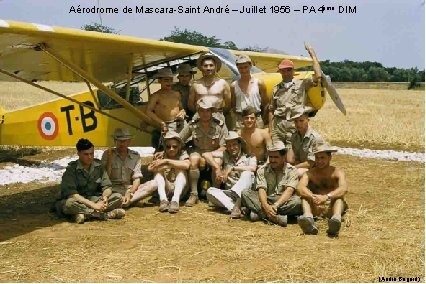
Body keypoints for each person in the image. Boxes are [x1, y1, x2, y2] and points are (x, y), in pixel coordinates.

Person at [55, 138, 125, 224]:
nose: (90, 157)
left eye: (92, 153)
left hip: (93, 199)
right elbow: (73, 195)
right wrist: (94, 205)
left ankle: (83, 215)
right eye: (86, 154)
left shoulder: (98, 166)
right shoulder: (71, 170)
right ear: (79, 154)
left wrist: (104, 199)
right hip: (78, 201)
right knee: (68, 204)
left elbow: (107, 187)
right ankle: (103, 215)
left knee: (118, 197)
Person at [268, 56, 321, 162]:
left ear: (293, 71)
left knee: (291, 159)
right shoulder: (276, 88)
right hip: (278, 125)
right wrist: (270, 128)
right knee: (276, 156)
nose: (286, 72)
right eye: (283, 70)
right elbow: (271, 109)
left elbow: (318, 75)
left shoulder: (302, 84)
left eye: (289, 70)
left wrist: (313, 55)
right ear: (280, 72)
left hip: (294, 125)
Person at [179, 97, 228, 206]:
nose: (204, 113)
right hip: (198, 151)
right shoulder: (193, 124)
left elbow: (224, 146)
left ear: (212, 111)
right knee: (193, 159)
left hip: (214, 152)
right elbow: (179, 139)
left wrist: (210, 156)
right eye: (201, 110)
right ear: (198, 111)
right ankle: (194, 194)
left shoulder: (219, 125)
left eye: (207, 110)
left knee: (217, 162)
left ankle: (215, 194)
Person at [241, 141, 302, 227]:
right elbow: (262, 189)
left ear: (284, 156)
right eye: (271, 157)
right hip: (266, 199)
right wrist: (266, 206)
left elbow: (289, 191)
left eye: (276, 157)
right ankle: (278, 218)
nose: (273, 160)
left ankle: (261, 215)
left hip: (283, 201)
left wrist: (275, 205)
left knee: (298, 202)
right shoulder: (262, 170)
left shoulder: (292, 170)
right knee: (245, 193)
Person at [296, 144, 348, 237]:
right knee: (304, 197)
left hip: (331, 206)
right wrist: (312, 196)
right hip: (315, 206)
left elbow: (343, 189)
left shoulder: (338, 172)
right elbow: (300, 187)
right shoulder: (309, 173)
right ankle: (308, 219)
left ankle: (335, 220)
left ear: (329, 157)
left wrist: (327, 197)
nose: (319, 161)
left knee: (339, 199)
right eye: (317, 158)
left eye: (322, 158)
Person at [206, 131, 256, 218]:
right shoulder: (225, 155)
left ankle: (237, 205)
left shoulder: (249, 156)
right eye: (229, 145)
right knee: (210, 191)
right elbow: (206, 154)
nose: (232, 148)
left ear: (240, 145)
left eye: (234, 144)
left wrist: (232, 168)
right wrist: (217, 168)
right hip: (230, 194)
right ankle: (236, 207)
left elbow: (253, 168)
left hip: (246, 194)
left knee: (247, 173)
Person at [101, 128, 142, 208]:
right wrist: (109, 160)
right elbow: (105, 178)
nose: (122, 144)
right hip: (113, 189)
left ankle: (126, 200)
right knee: (109, 194)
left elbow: (136, 179)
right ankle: (126, 201)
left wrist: (130, 193)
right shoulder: (107, 154)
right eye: (119, 141)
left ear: (129, 141)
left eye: (125, 141)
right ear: (114, 141)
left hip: (128, 188)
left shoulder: (135, 156)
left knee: (152, 185)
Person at [146, 67, 186, 148]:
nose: (169, 82)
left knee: (182, 147)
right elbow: (149, 111)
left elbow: (181, 108)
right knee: (166, 149)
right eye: (166, 80)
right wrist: (162, 123)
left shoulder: (176, 94)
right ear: (159, 81)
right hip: (166, 126)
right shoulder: (156, 96)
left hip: (180, 125)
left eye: (171, 80)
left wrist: (182, 113)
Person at [188, 54, 231, 126]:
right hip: (199, 118)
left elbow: (228, 104)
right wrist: (202, 113)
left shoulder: (223, 83)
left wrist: (218, 113)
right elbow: (190, 105)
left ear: (215, 67)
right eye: (205, 66)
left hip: (218, 117)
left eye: (211, 65)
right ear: (201, 68)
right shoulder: (195, 84)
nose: (208, 68)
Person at [231, 54, 268, 130]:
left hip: (256, 119)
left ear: (250, 66)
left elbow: (266, 104)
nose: (243, 70)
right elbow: (233, 105)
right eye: (240, 68)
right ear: (237, 68)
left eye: (246, 67)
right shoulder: (233, 85)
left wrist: (262, 118)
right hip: (240, 121)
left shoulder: (259, 83)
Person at [290, 108, 326, 177]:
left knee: (296, 173)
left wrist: (293, 168)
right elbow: (297, 158)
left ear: (308, 121)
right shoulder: (294, 137)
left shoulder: (315, 138)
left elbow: (311, 163)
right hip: (304, 167)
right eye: (296, 121)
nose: (298, 124)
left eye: (301, 121)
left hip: (317, 169)